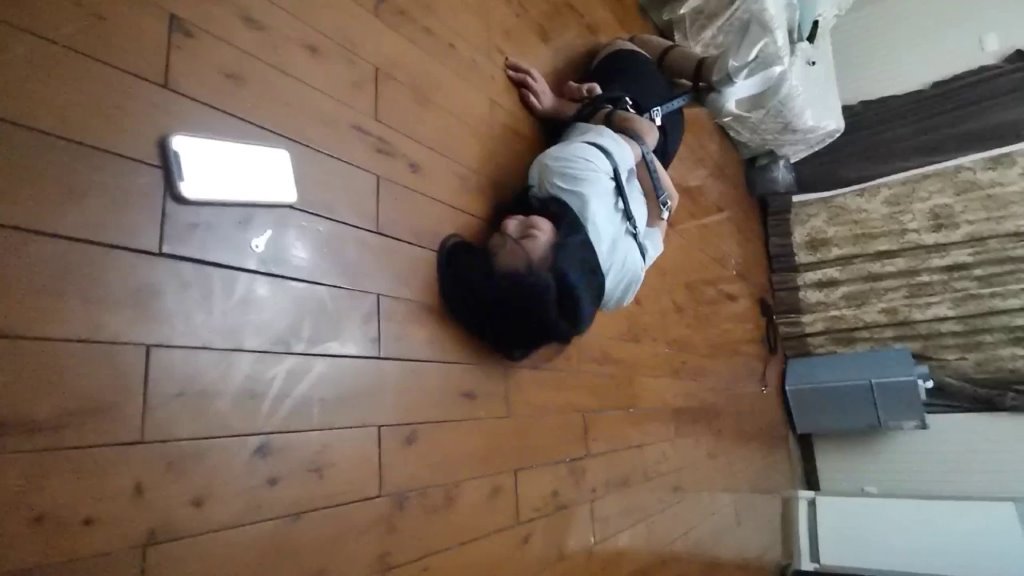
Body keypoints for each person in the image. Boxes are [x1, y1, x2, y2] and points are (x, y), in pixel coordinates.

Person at [437, 35, 749, 360]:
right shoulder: (561, 176)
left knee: (654, 97)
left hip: (668, 142)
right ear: (564, 254)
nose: (509, 223)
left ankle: (699, 94)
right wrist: (566, 107)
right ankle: (706, 71)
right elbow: (643, 133)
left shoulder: (614, 293)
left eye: (496, 242)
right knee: (626, 44)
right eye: (526, 233)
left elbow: (667, 202)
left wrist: (631, 164)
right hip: (643, 110)